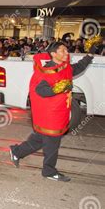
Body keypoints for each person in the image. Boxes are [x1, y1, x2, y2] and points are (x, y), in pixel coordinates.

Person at [9, 42, 95, 182]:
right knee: (53, 141)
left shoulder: (64, 67)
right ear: (54, 54)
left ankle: (16, 151)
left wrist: (90, 55)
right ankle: (49, 171)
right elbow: (40, 90)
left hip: (59, 109)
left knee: (40, 139)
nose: (66, 53)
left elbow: (78, 67)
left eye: (67, 50)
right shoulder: (46, 70)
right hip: (50, 113)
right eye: (63, 51)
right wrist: (58, 88)